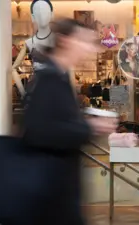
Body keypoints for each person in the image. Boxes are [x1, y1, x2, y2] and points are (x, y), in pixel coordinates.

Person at [22, 18, 118, 225]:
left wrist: (88, 124)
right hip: (51, 190)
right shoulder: (49, 78)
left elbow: (59, 120)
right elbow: (40, 131)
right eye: (83, 41)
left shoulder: (61, 76)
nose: (88, 48)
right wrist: (89, 126)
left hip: (61, 188)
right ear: (65, 41)